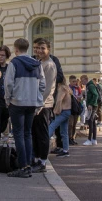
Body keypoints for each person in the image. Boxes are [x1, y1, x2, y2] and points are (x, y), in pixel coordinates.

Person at [4, 38, 45, 178]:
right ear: (27, 48)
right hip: (32, 103)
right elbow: (42, 85)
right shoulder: (37, 64)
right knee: (28, 134)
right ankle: (29, 164)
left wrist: (7, 99)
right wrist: (38, 101)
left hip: (17, 102)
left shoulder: (14, 63)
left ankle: (23, 167)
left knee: (19, 134)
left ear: (16, 49)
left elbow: (8, 84)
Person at [31, 38, 57, 173]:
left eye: (42, 48)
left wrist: (39, 105)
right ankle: (35, 159)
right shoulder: (39, 63)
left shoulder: (49, 65)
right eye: (36, 48)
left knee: (42, 134)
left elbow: (47, 88)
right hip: (36, 103)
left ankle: (42, 162)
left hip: (43, 105)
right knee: (35, 133)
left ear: (48, 50)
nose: (39, 50)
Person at [49, 79, 73, 157]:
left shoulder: (61, 88)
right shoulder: (67, 88)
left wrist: (56, 110)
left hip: (62, 111)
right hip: (68, 111)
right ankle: (66, 150)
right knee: (64, 131)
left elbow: (59, 100)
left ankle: (44, 141)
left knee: (52, 126)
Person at [82, 75, 100, 145]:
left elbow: (95, 95)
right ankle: (94, 139)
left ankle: (89, 139)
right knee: (93, 122)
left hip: (92, 106)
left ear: (86, 79)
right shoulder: (89, 86)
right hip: (93, 105)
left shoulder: (90, 86)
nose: (81, 82)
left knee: (90, 121)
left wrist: (90, 104)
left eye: (82, 80)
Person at [68, 75, 82, 145]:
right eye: (73, 81)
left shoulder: (77, 88)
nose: (74, 83)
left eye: (75, 81)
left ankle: (73, 138)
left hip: (76, 108)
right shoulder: (68, 88)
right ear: (69, 81)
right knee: (70, 124)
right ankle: (69, 138)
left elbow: (80, 95)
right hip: (70, 108)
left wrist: (80, 98)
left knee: (74, 124)